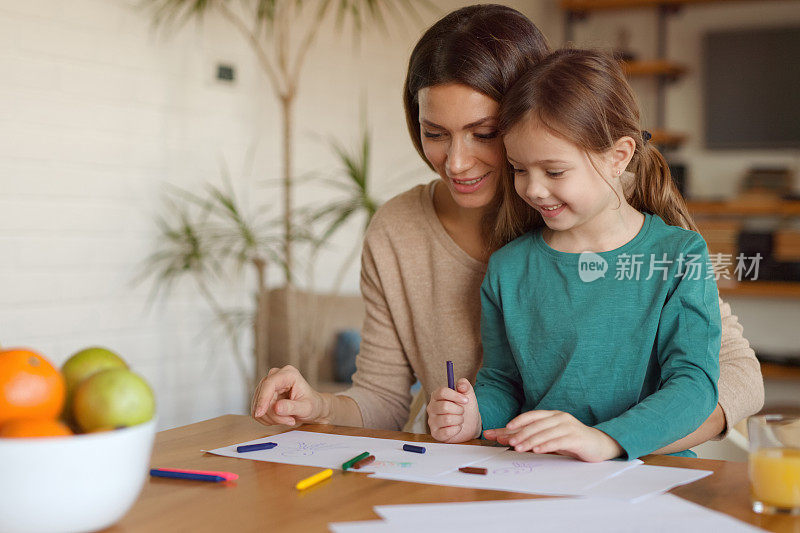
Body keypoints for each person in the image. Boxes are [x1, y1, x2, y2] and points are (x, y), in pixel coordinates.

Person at [250, 5, 763, 453]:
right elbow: (388, 397)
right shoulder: (414, 236)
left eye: (484, 134)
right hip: (481, 473)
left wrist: (610, 442)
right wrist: (318, 406)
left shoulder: (635, 242)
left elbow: (732, 377)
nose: (456, 162)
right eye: (435, 134)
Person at [428, 48, 722, 461]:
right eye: (519, 169)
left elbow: (695, 386)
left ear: (618, 157)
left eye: (554, 171)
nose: (532, 189)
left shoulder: (679, 256)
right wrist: (473, 417)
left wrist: (605, 441)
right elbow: (503, 382)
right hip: (537, 475)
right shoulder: (508, 269)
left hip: (650, 477)